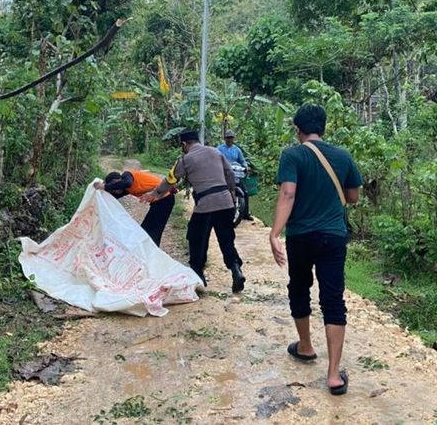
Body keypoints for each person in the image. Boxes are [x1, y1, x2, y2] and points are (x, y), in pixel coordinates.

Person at [269, 104, 363, 396]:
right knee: (332, 299)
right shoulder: (343, 156)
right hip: (333, 237)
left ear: (298, 129)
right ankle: (334, 375)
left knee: (299, 288)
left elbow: (288, 192)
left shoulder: (292, 155)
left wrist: (274, 233)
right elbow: (354, 196)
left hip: (300, 236)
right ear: (324, 127)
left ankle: (306, 347)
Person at [141, 130, 246, 293]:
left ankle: (198, 274)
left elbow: (171, 179)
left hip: (205, 205)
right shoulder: (215, 151)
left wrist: (155, 194)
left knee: (196, 238)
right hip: (226, 203)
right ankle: (235, 269)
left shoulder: (185, 159)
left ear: (184, 144)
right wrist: (231, 193)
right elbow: (230, 173)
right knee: (226, 238)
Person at [94, 170, 175, 246]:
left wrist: (105, 186)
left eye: (114, 186)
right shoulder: (126, 189)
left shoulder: (127, 175)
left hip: (165, 198)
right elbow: (112, 198)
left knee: (150, 231)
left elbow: (127, 183)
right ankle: (149, 252)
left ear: (117, 180)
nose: (115, 190)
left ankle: (150, 254)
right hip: (161, 201)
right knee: (148, 229)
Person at [217, 129, 253, 221]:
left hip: (235, 175)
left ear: (233, 139)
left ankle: (245, 213)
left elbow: (242, 160)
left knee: (245, 192)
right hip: (223, 175)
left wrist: (245, 166)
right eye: (228, 138)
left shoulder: (237, 150)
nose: (229, 140)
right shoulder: (219, 149)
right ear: (224, 138)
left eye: (231, 138)